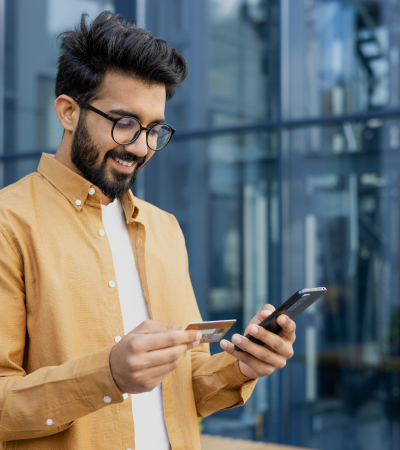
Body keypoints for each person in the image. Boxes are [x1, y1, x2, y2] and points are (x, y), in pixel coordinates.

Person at [0, 11, 296, 450]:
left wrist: (241, 368)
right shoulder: (9, 222)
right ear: (67, 112)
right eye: (124, 123)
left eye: (154, 129)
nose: (140, 147)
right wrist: (109, 374)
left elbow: (181, 386)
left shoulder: (164, 229)